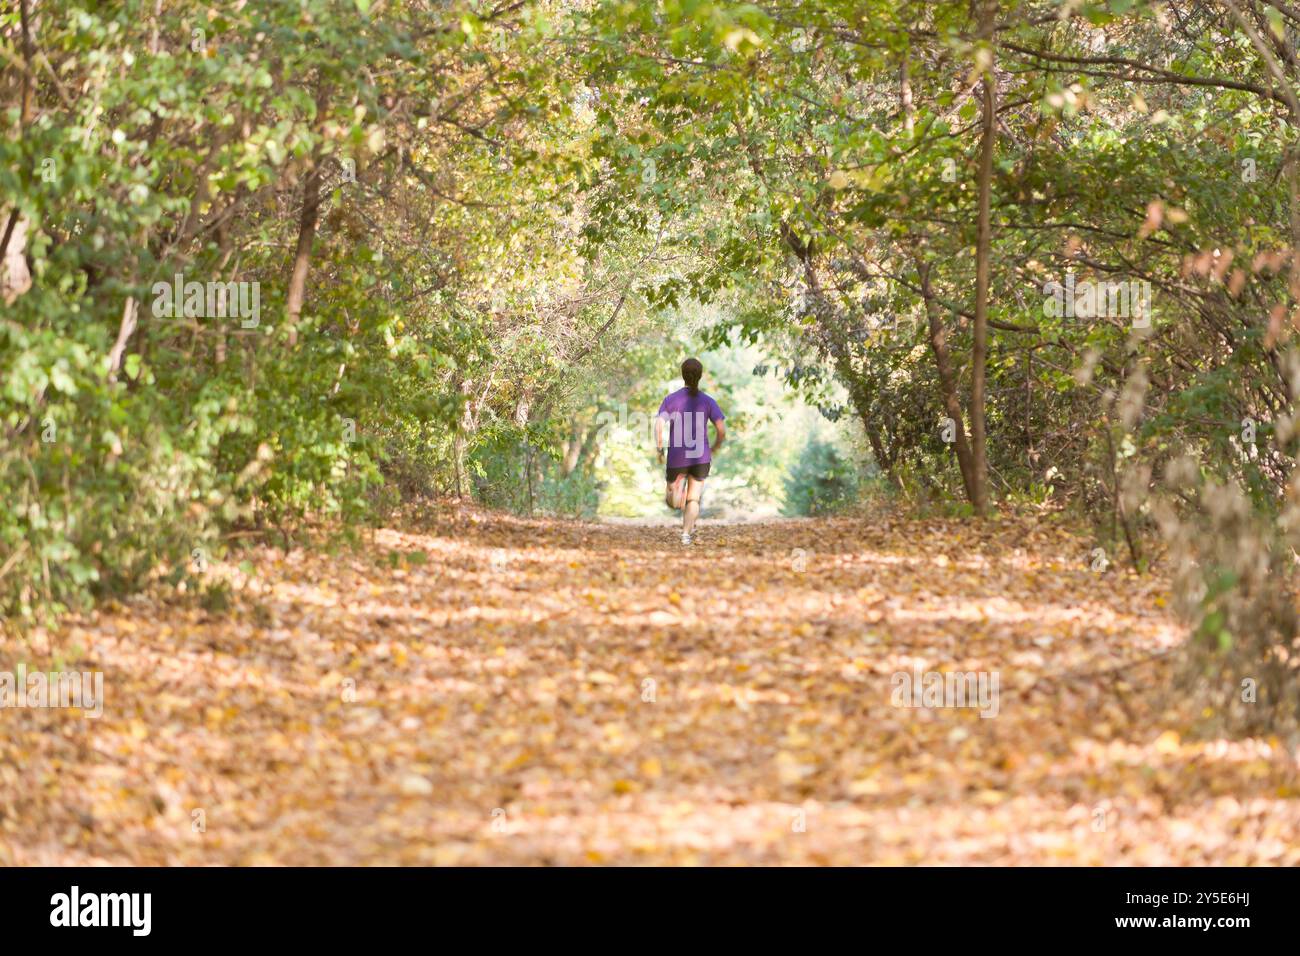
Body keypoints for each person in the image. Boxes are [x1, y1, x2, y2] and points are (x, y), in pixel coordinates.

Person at [655, 357, 726, 546]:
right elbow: (721, 429)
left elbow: (659, 424)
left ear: (682, 375)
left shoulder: (671, 399)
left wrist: (659, 448)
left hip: (677, 456)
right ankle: (686, 534)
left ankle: (676, 489)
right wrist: (715, 446)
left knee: (671, 501)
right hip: (700, 456)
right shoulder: (708, 401)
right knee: (694, 499)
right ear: (700, 376)